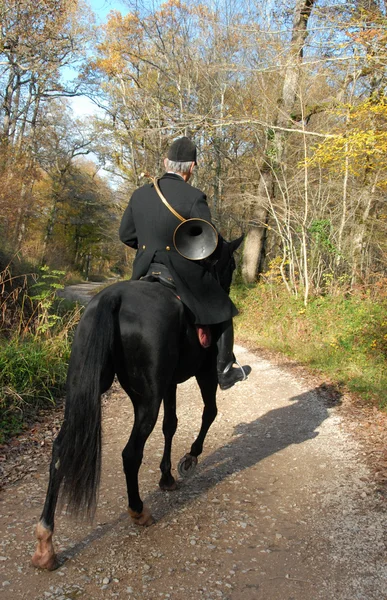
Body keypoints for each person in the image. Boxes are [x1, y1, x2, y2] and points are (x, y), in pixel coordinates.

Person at [119, 136, 251, 390]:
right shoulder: (194, 197)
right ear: (191, 167)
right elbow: (207, 243)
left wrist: (149, 248)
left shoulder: (139, 195)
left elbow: (126, 235)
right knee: (222, 305)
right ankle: (225, 371)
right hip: (180, 271)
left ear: (166, 162)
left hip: (144, 269)